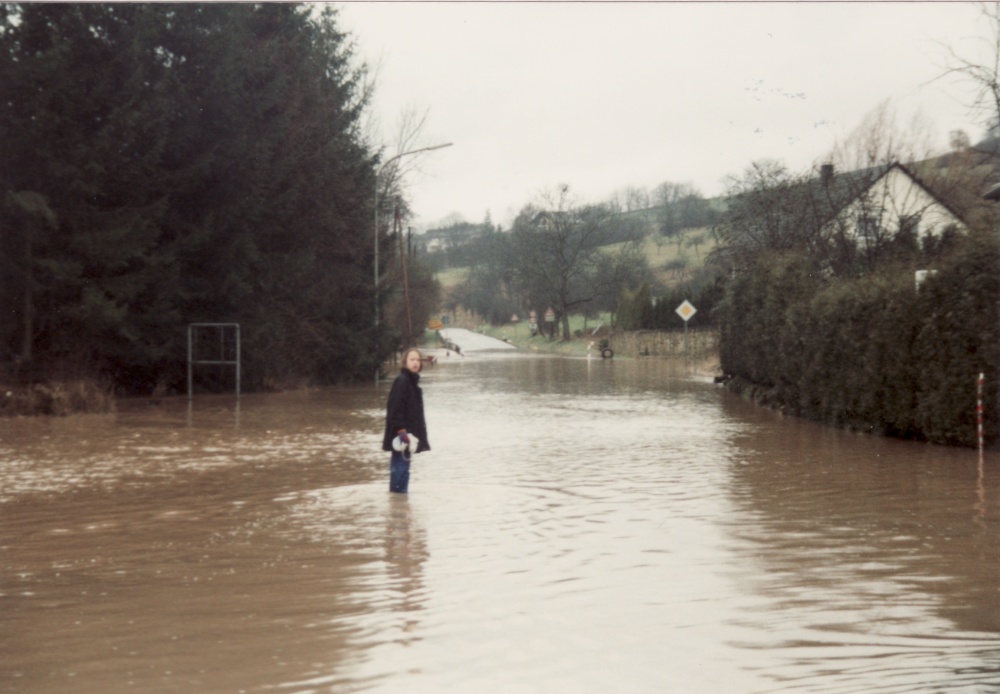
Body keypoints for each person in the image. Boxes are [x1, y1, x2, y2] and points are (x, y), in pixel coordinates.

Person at [382, 348, 431, 493]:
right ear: (405, 362)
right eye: (412, 359)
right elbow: (395, 408)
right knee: (400, 470)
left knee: (403, 469)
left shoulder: (413, 384)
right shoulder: (402, 381)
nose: (415, 362)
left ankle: (399, 504)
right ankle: (397, 503)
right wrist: (402, 432)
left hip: (408, 436)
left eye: (417, 360)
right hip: (401, 435)